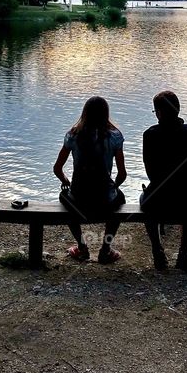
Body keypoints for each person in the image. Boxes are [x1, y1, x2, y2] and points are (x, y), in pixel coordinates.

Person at [52, 96, 127, 263]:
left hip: (79, 199)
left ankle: (82, 247)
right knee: (120, 198)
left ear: (84, 113)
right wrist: (114, 186)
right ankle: (105, 250)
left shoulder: (72, 135)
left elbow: (57, 168)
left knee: (64, 198)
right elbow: (122, 174)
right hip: (105, 199)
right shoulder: (115, 137)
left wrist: (65, 181)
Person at [140, 90, 187, 270]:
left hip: (160, 197)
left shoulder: (150, 135)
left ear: (159, 112)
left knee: (144, 201)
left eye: (156, 111)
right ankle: (184, 251)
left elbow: (150, 173)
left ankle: (157, 250)